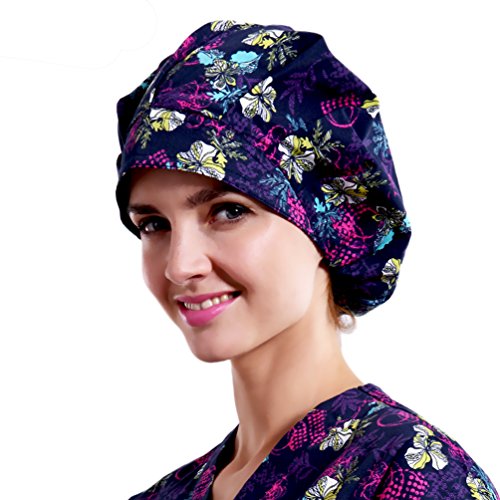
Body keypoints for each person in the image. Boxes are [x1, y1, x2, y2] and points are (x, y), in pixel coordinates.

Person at [115, 20, 498, 500]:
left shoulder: (413, 478)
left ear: (331, 222)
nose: (179, 265)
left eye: (228, 211)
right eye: (154, 224)